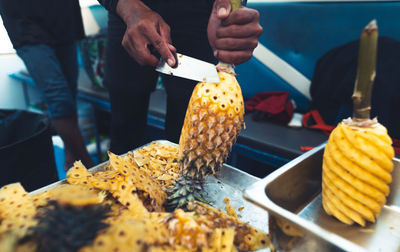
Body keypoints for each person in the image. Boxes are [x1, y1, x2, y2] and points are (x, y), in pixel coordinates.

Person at [99, 0, 262, 154]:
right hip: (127, 11)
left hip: (198, 12)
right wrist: (128, 7)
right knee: (124, 125)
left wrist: (230, 10)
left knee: (191, 134)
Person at [0, 0, 94, 170]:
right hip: (24, 22)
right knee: (58, 96)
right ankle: (88, 164)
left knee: (69, 92)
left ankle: (71, 157)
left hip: (63, 16)